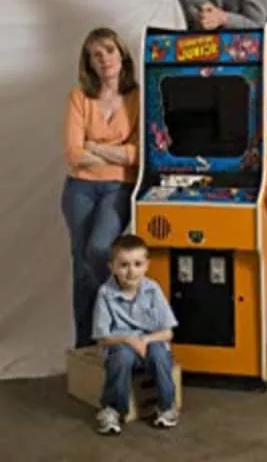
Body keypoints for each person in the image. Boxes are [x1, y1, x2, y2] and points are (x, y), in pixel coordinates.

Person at [61, 27, 140, 349]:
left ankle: (118, 313)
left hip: (118, 188)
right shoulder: (79, 96)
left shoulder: (138, 97)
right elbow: (73, 153)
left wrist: (95, 147)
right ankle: (86, 347)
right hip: (79, 189)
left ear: (121, 54)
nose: (104, 58)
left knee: (99, 250)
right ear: (89, 63)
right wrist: (117, 152)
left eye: (109, 50)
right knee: (82, 268)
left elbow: (140, 154)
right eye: (96, 54)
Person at [92, 234, 179, 435]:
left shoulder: (153, 289)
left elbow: (167, 332)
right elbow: (102, 336)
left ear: (147, 265)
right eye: (123, 265)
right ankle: (112, 409)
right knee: (122, 357)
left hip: (149, 343)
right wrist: (129, 340)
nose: (131, 271)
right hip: (120, 344)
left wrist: (146, 339)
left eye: (137, 264)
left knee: (160, 355)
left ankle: (166, 407)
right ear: (112, 267)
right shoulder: (105, 293)